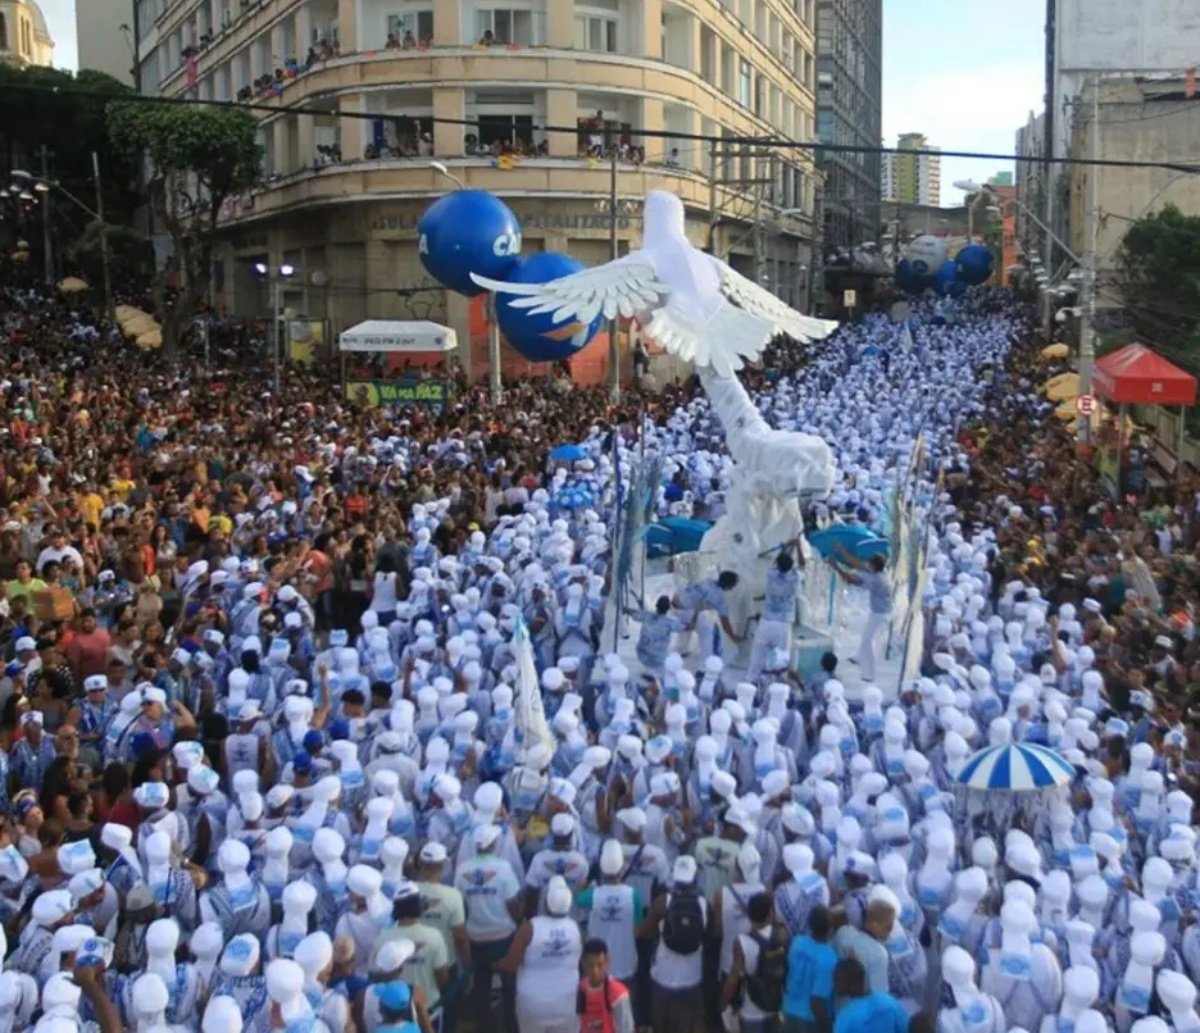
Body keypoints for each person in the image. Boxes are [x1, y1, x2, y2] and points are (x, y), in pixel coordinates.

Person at [722, 891, 788, 1033]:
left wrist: (724, 1003)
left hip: (751, 1008)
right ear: (770, 914)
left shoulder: (741, 942)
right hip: (776, 1005)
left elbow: (733, 978)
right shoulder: (782, 935)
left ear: (749, 915)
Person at [830, 550, 890, 683]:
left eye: (869, 564)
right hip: (882, 612)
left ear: (873, 566)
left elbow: (849, 580)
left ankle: (870, 674)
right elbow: (858, 565)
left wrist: (835, 567)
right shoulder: (881, 573)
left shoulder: (874, 579)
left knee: (868, 641)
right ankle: (861, 658)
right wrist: (841, 548)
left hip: (879, 614)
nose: (867, 565)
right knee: (867, 640)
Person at [749, 540, 804, 679]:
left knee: (757, 655)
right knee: (781, 658)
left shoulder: (771, 574)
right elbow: (803, 564)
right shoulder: (795, 577)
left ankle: (751, 680)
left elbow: (776, 561)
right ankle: (777, 684)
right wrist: (798, 546)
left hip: (766, 620)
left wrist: (784, 549)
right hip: (783, 624)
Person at [784, 905, 838, 1033]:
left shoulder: (797, 942)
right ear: (830, 929)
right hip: (810, 1020)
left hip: (789, 1010)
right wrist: (828, 1028)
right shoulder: (829, 959)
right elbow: (817, 1002)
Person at [830, 957, 908, 1033]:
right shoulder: (888, 1000)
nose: (834, 985)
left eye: (837, 980)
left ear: (852, 985)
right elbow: (906, 1028)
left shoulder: (845, 1017)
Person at [577, 938, 635, 1033]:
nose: (595, 971)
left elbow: (626, 1028)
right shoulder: (580, 989)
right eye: (590, 965)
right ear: (583, 963)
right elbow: (577, 1022)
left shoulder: (619, 994)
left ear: (608, 961)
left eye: (599, 965)